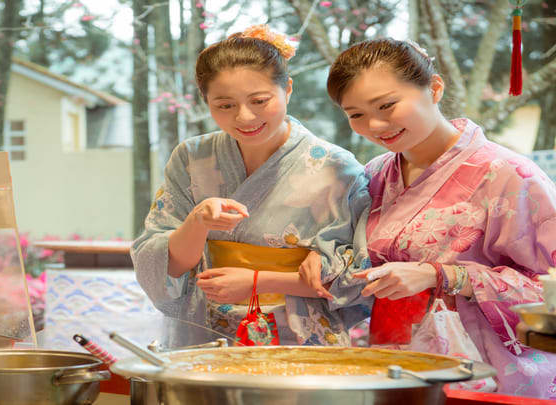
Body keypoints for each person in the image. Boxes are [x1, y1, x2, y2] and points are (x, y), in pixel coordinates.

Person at [320, 37, 556, 397]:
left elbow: (548, 287)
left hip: (487, 369)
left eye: (387, 105)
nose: (375, 124)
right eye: (356, 115)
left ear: (434, 88)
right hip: (397, 363)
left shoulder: (510, 175)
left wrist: (442, 275)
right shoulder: (375, 173)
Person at [131, 25, 372, 347]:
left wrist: (258, 281)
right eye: (224, 105)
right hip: (203, 329)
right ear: (205, 101)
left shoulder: (335, 168)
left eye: (259, 100)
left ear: (287, 89)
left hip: (299, 334)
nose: (244, 117)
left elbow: (357, 274)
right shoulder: (192, 157)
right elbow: (163, 263)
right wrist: (198, 221)